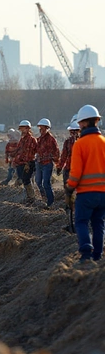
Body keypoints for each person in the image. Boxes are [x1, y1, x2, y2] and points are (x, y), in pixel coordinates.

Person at [66, 105, 105, 265]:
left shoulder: (80, 144)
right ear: (96, 121)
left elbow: (76, 172)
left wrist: (69, 188)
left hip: (86, 193)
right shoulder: (103, 142)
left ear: (82, 124)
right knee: (99, 223)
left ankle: (86, 250)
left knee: (81, 222)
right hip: (103, 193)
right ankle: (97, 255)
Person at [57, 121, 80, 232]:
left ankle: (74, 225)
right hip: (71, 171)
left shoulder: (82, 142)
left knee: (73, 198)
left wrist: (60, 167)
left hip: (76, 172)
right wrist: (59, 167)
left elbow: (63, 157)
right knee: (70, 199)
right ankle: (72, 225)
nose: (73, 133)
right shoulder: (68, 142)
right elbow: (63, 156)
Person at [34, 118, 60, 208]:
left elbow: (56, 152)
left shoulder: (51, 139)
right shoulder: (39, 139)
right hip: (39, 163)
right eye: (40, 128)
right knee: (37, 181)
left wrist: (56, 162)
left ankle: (50, 201)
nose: (40, 129)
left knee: (46, 183)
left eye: (42, 128)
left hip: (47, 164)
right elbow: (35, 149)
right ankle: (44, 198)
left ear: (46, 128)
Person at [13, 120, 38, 203]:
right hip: (20, 163)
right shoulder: (22, 140)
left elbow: (36, 152)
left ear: (28, 129)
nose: (22, 131)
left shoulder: (32, 140)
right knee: (23, 180)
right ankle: (28, 196)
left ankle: (32, 196)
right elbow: (18, 151)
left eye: (23, 129)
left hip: (28, 163)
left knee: (26, 180)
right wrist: (15, 161)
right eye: (21, 129)